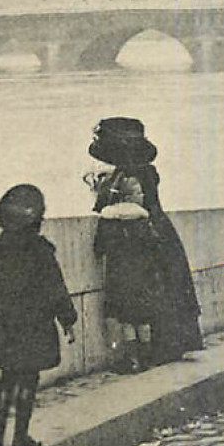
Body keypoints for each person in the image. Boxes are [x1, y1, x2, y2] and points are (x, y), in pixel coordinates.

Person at [85, 118, 203, 372]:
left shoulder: (123, 177)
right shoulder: (147, 172)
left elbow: (102, 209)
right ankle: (160, 349)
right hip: (157, 233)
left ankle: (138, 355)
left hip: (130, 240)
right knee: (160, 292)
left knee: (133, 303)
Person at [0, 184, 77, 446]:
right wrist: (68, 320)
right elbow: (56, 289)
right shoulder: (40, 251)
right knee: (28, 379)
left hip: (3, 324)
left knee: (6, 378)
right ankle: (20, 437)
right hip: (34, 326)